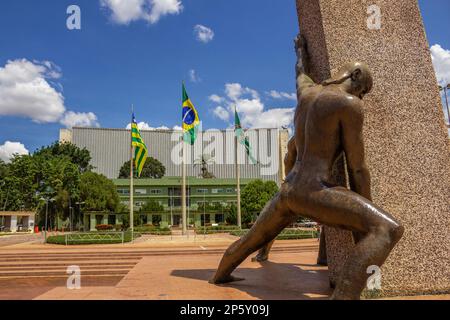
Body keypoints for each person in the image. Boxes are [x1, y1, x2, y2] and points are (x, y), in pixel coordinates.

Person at [210, 35, 404, 300]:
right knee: (388, 229)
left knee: (250, 239)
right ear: (356, 74)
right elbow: (357, 168)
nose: (362, 97)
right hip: (316, 192)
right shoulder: (349, 105)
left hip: (288, 191)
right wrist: (364, 215)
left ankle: (220, 274)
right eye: (364, 90)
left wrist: (300, 50)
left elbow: (300, 71)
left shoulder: (306, 92)